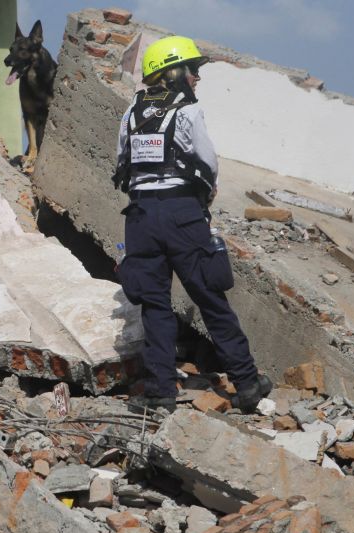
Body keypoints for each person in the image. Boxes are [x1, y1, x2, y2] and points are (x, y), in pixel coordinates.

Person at [112, 35, 272, 414]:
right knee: (209, 297)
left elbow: (121, 160)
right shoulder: (186, 110)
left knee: (154, 306)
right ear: (172, 72)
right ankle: (247, 385)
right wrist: (204, 192)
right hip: (182, 214)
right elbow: (208, 160)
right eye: (193, 70)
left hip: (140, 217)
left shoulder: (131, 111)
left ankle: (160, 394)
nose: (197, 78)